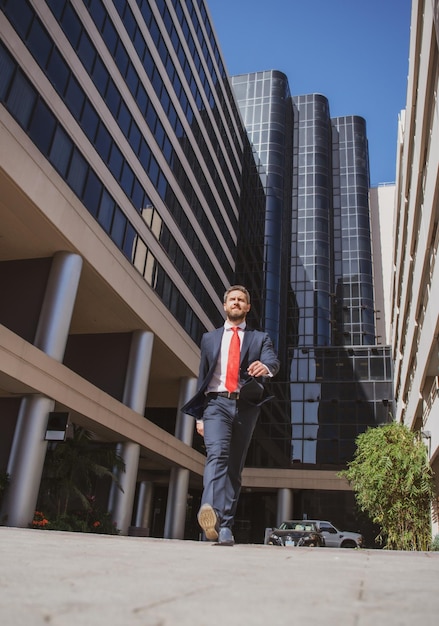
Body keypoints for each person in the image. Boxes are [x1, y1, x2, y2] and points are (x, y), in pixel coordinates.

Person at [182, 285, 280, 545]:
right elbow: (203, 379)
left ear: (247, 307)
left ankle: (225, 525)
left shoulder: (260, 339)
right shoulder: (209, 339)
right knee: (217, 455)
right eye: (232, 300)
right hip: (216, 404)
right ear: (225, 306)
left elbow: (273, 362)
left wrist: (265, 367)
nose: (236, 303)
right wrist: (200, 417)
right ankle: (209, 511)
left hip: (245, 406)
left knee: (234, 468)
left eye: (241, 300)